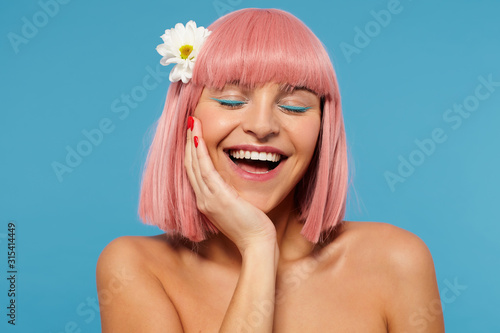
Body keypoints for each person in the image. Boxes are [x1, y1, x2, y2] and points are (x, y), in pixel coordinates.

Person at [96, 8, 445, 332]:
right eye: (232, 100)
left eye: (294, 107)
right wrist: (259, 247)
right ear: (186, 119)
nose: (262, 126)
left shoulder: (397, 261)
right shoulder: (134, 268)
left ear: (323, 130)